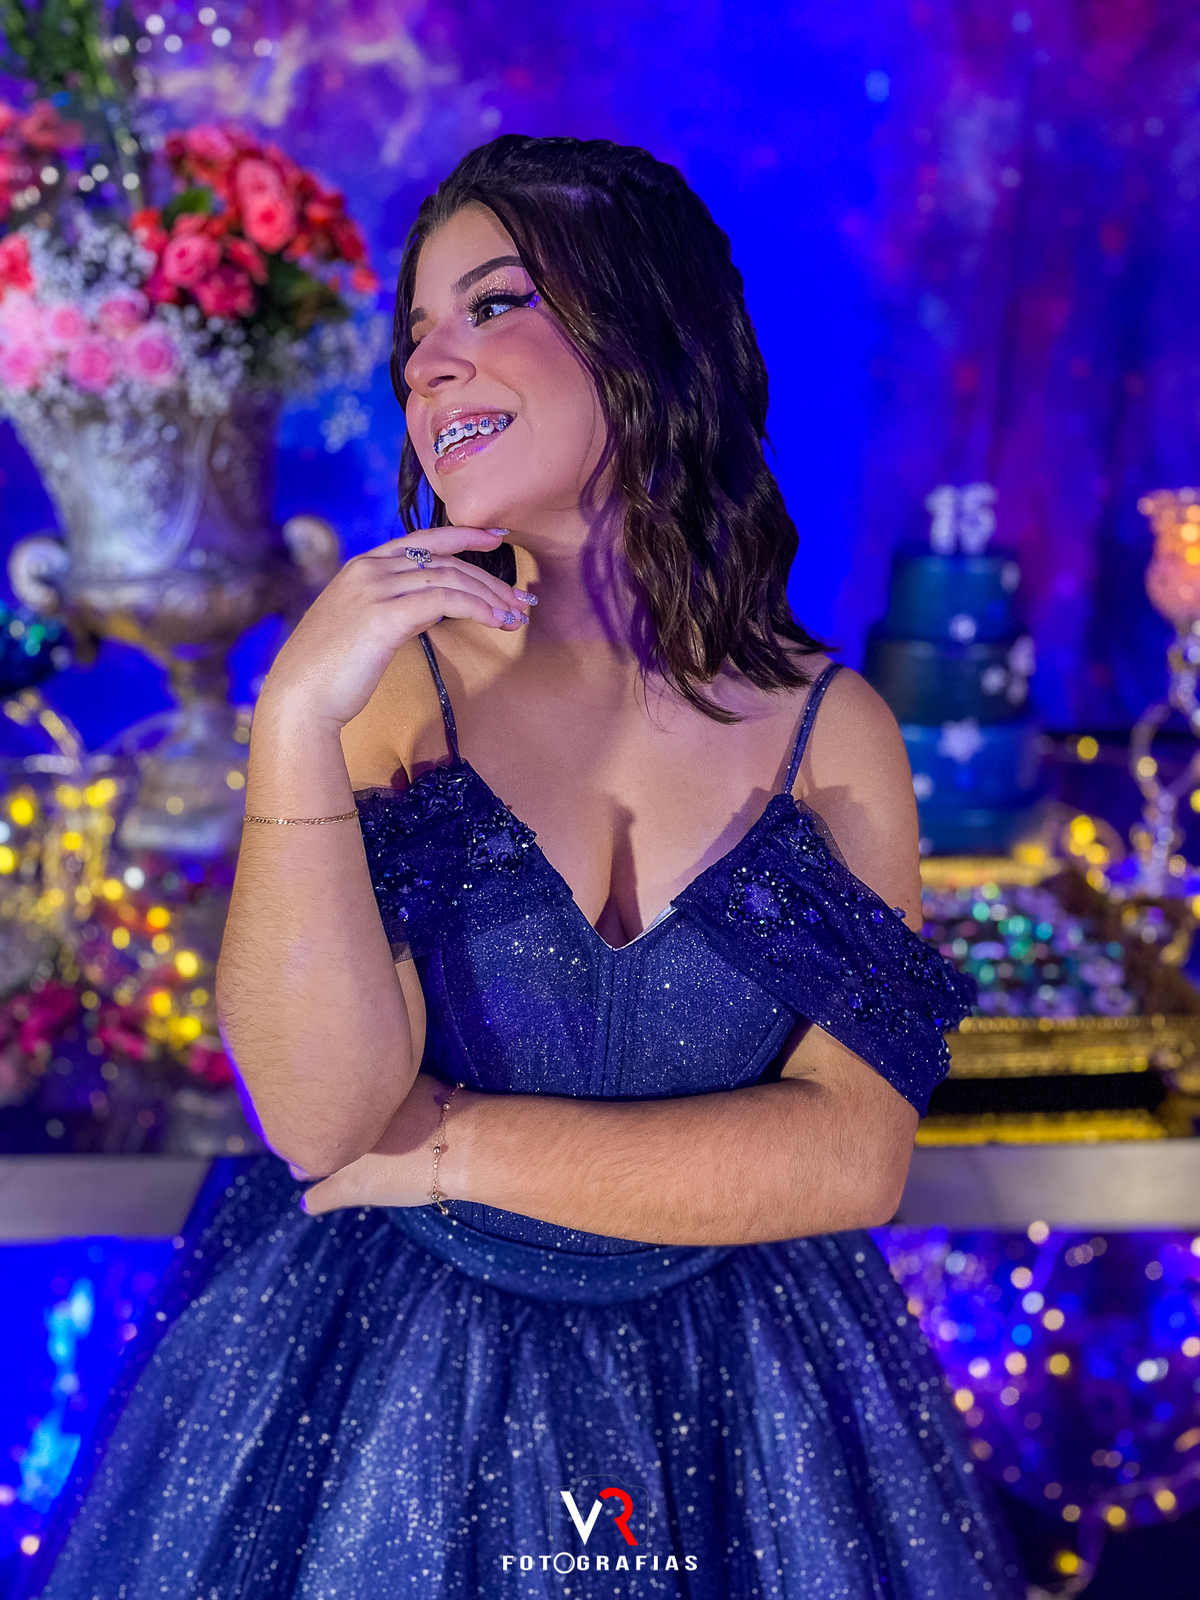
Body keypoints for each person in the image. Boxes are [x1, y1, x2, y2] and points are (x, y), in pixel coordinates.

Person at [24, 135, 1024, 1599]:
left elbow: (853, 1158)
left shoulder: (836, 730)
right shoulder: (386, 695)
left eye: (492, 304)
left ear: (651, 329)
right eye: (414, 335)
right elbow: (320, 1120)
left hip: (751, 1401)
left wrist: (441, 1148)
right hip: (378, 1385)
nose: (430, 366)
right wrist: (292, 718)